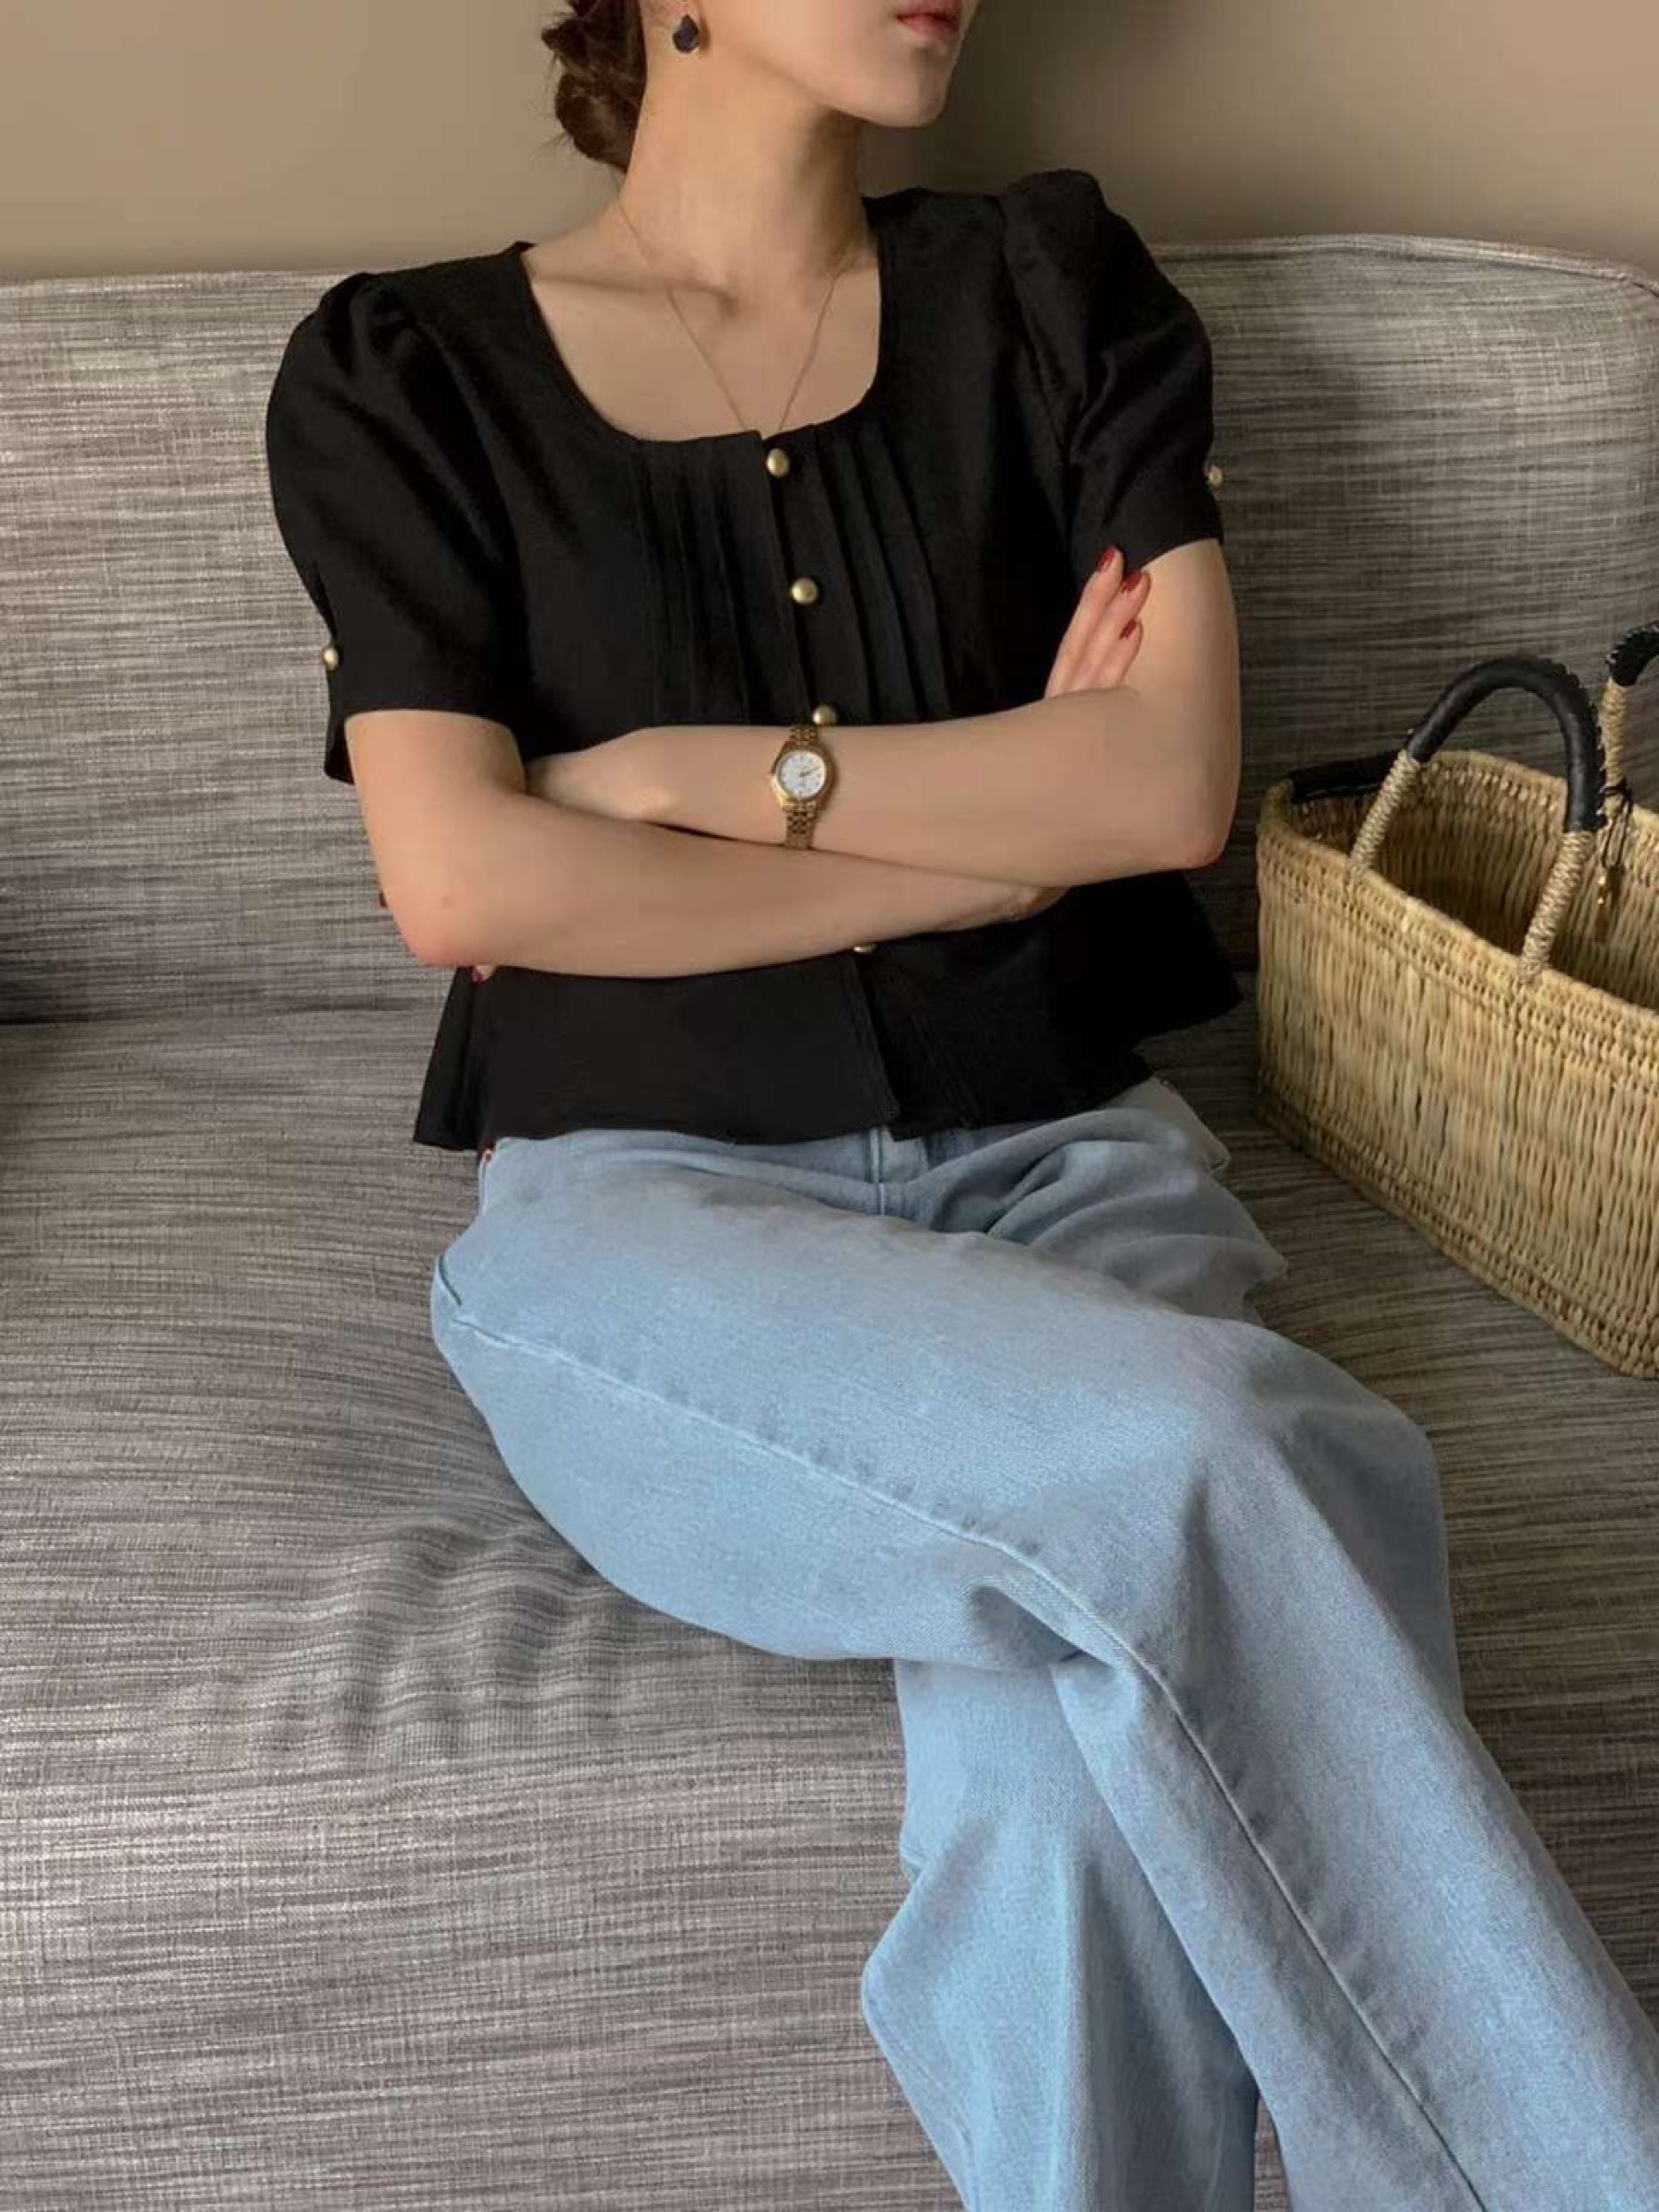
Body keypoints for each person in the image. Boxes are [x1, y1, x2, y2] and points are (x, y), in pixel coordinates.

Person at [261, 4, 1659, 2206]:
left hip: (1067, 1166)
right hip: (650, 1219)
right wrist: (984, 851)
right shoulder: (403, 376)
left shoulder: (1051, 291)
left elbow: (1163, 785)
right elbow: (467, 882)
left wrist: (684, 778)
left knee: (1072, 1791)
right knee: (1218, 1450)